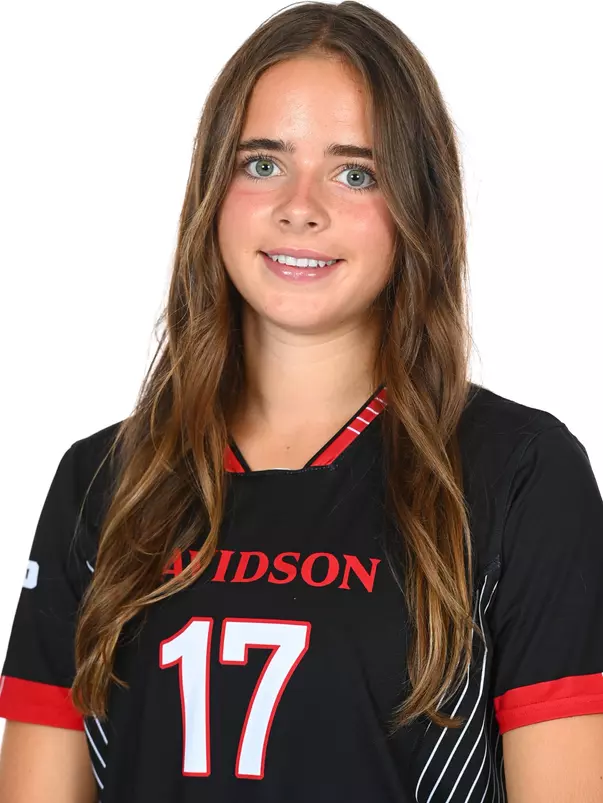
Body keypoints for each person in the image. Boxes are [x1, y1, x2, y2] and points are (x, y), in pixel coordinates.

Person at [1, 1, 603, 801]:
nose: (300, 205)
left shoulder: (518, 473)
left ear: (416, 207)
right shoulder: (107, 480)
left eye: (356, 172)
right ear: (213, 186)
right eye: (262, 162)